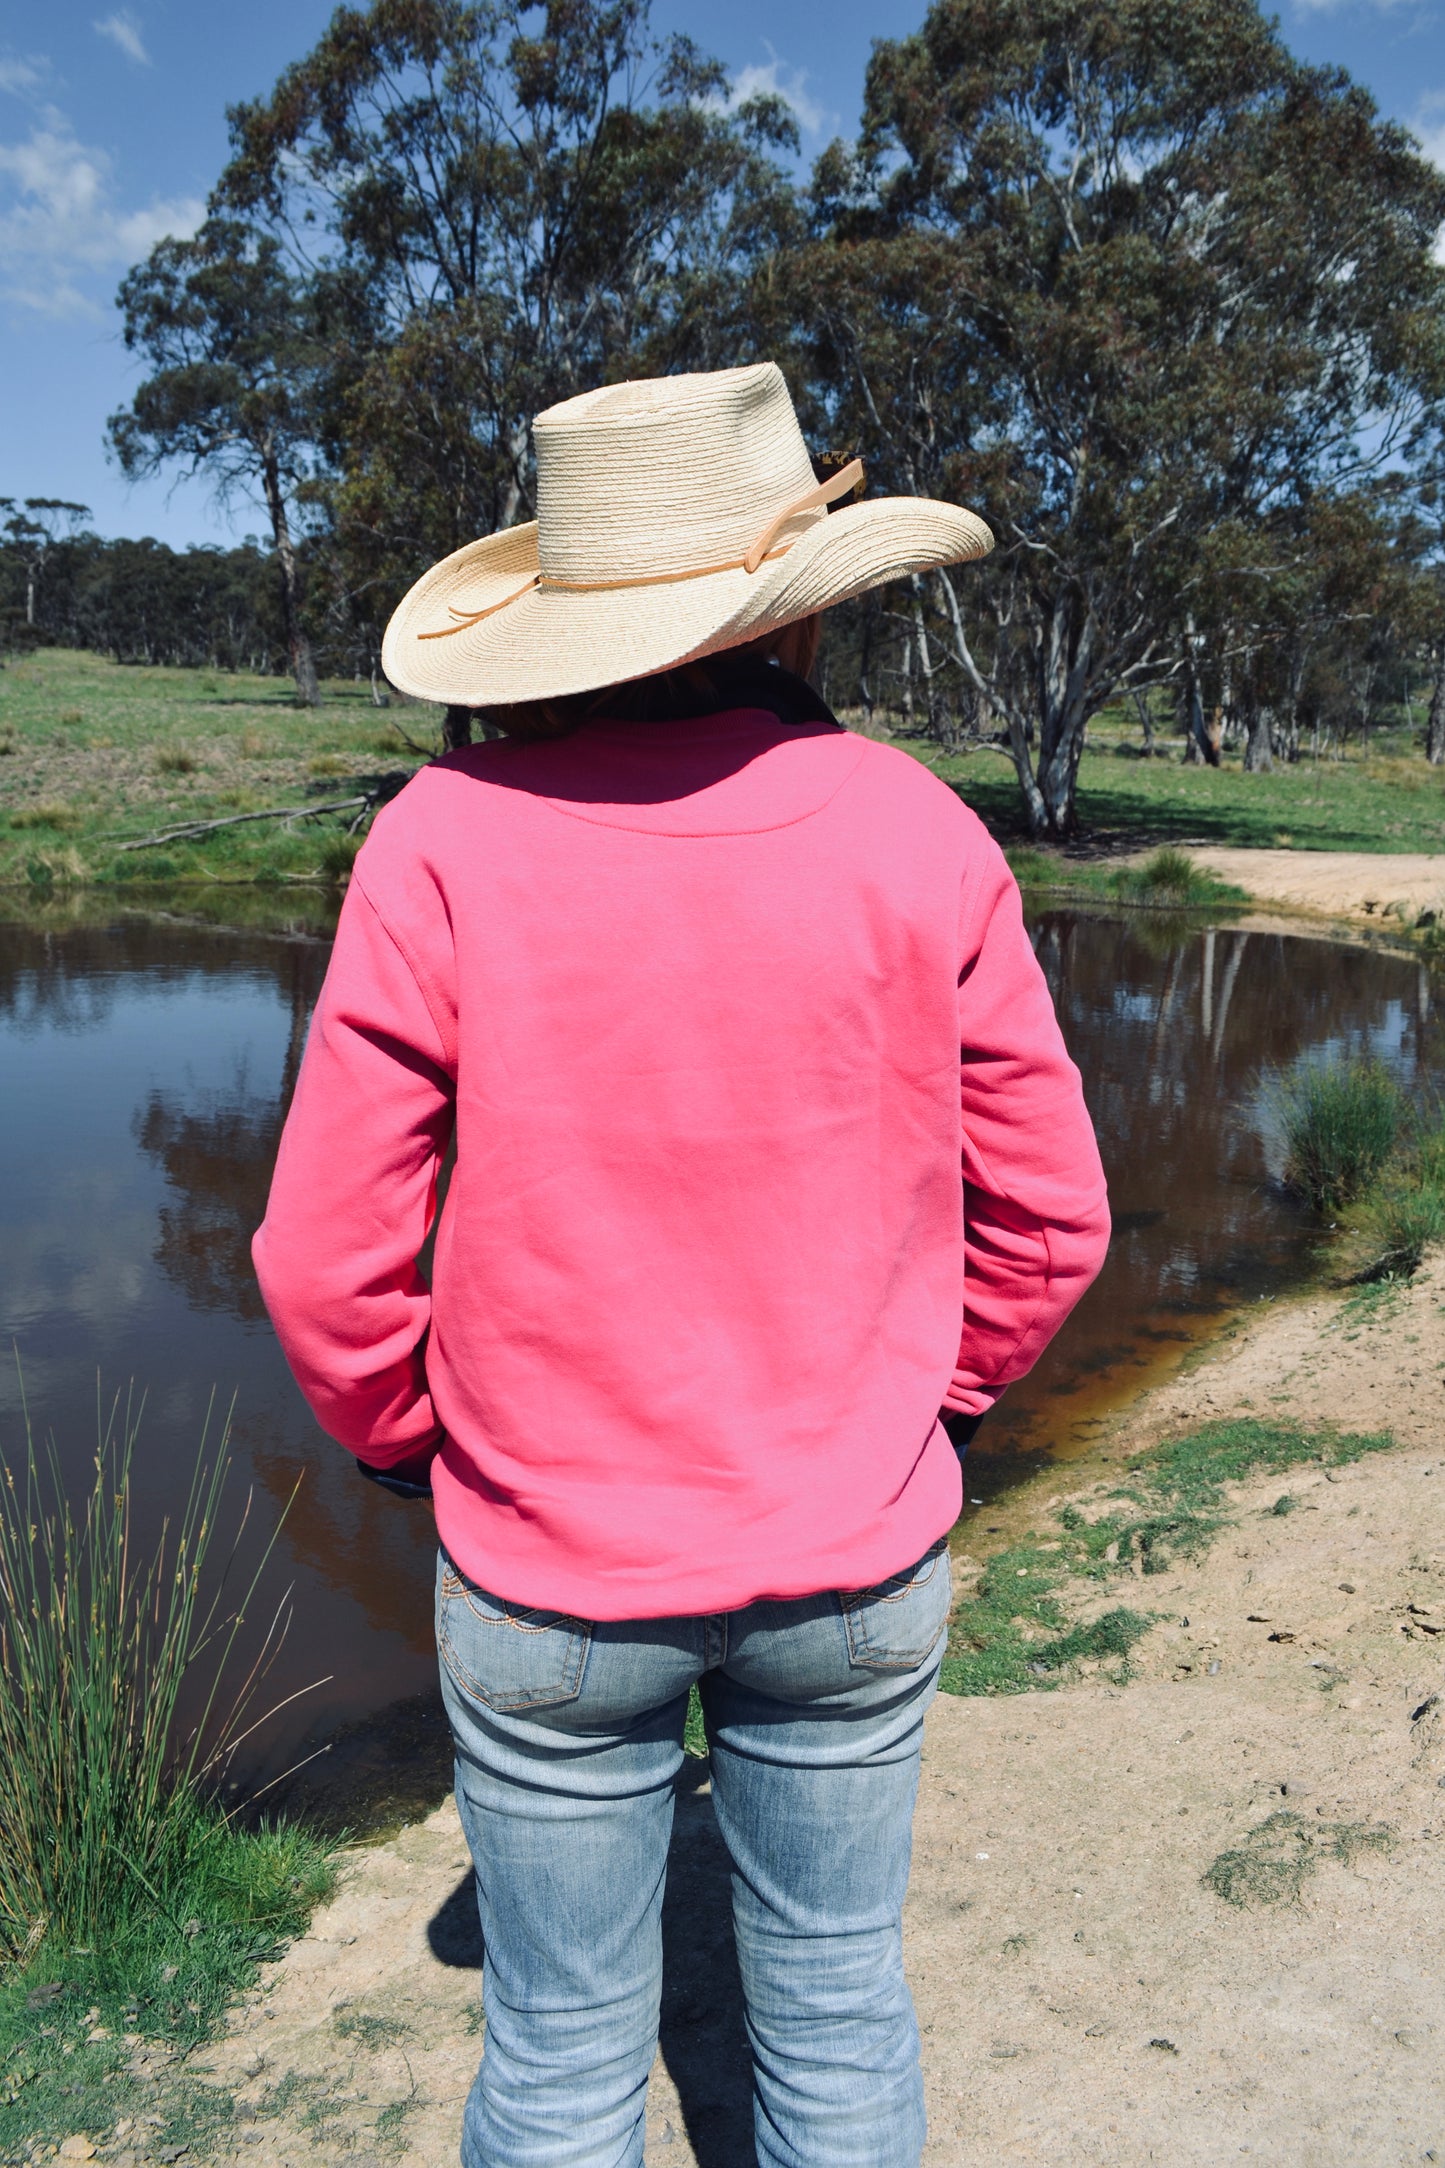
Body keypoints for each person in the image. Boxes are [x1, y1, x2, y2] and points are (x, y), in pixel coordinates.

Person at [253, 361, 1110, 2168]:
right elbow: (1052, 1219)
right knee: (836, 2007)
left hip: (547, 1576)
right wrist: (931, 1404)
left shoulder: (439, 845)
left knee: (562, 2057)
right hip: (855, 1558)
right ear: (793, 625)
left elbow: (329, 1263)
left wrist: (417, 1444)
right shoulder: (917, 832)